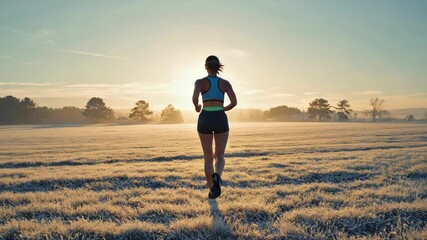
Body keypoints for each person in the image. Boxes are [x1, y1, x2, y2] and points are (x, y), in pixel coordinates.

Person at [192, 55, 237, 199]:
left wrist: (197, 106)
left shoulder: (200, 82)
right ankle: (217, 175)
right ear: (218, 67)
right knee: (220, 155)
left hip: (205, 117)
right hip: (220, 118)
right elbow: (234, 102)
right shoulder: (225, 83)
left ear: (206, 66)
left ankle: (212, 189)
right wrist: (223, 109)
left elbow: (194, 97)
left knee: (207, 156)